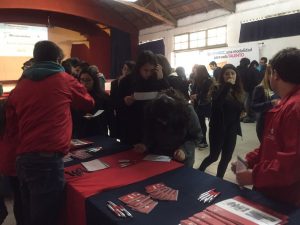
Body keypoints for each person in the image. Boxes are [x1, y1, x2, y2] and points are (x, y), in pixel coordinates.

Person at [2, 40, 94, 225]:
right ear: (58, 59)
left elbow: (11, 126)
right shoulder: (64, 80)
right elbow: (88, 103)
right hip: (47, 161)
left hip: (23, 159)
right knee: (47, 216)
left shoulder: (20, 86)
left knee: (28, 211)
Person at [234, 48, 300, 207]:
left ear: (275, 74)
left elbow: (291, 165)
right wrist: (249, 160)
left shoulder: (295, 108)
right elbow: (273, 145)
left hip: (285, 199)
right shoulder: (287, 103)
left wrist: (252, 176)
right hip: (275, 191)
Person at [135, 88, 202, 167]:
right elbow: (149, 132)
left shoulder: (187, 111)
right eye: (160, 120)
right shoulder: (152, 110)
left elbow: (196, 137)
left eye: (165, 120)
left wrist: (184, 150)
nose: (163, 123)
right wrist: (145, 144)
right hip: (157, 157)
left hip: (181, 158)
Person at [199, 64, 244, 178]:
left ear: (236, 75)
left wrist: (243, 111)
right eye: (227, 74)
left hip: (231, 129)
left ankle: (219, 180)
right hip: (218, 129)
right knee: (213, 157)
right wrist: (228, 85)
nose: (230, 76)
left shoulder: (237, 90)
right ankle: (199, 171)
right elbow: (218, 103)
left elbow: (238, 106)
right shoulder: (216, 88)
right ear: (222, 76)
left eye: (232, 73)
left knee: (226, 158)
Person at [118, 51, 169, 145]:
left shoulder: (158, 78)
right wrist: (125, 101)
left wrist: (162, 79)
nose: (148, 74)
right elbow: (117, 104)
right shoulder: (126, 81)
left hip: (153, 125)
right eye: (145, 70)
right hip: (133, 125)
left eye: (151, 70)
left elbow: (169, 99)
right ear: (138, 68)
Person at [72, 67, 113, 138]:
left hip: (99, 133)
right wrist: (83, 115)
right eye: (82, 80)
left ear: (94, 81)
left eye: (88, 80)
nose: (84, 83)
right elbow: (72, 115)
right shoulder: (75, 96)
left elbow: (110, 117)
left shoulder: (103, 96)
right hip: (80, 134)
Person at [251, 64, 280, 142]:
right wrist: (270, 103)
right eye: (270, 73)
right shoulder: (260, 88)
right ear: (267, 74)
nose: (272, 76)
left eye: (275, 73)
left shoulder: (280, 87)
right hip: (264, 124)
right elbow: (254, 106)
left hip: (278, 123)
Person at [110, 61, 135, 138]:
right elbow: (113, 100)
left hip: (133, 115)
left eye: (129, 70)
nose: (126, 71)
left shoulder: (135, 82)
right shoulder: (115, 83)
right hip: (120, 113)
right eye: (124, 69)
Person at [190, 65, 214, 148]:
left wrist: (196, 96)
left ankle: (204, 141)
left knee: (205, 124)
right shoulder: (198, 79)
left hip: (206, 104)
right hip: (198, 104)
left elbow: (207, 94)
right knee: (200, 123)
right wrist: (193, 96)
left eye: (196, 70)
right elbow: (193, 89)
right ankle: (201, 140)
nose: (194, 72)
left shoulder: (208, 81)